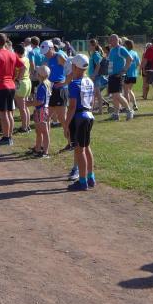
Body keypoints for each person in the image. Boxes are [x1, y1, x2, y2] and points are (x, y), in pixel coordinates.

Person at [65, 54, 96, 191]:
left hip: (79, 118)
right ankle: (91, 177)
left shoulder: (74, 84)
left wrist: (66, 124)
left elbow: (72, 107)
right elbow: (92, 102)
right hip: (89, 116)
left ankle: (82, 181)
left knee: (79, 150)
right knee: (86, 147)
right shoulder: (90, 81)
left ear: (75, 67)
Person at [0, 33, 20, 147]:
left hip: (1, 86)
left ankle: (6, 137)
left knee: (3, 114)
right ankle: (9, 137)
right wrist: (16, 79)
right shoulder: (12, 53)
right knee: (9, 112)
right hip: (11, 86)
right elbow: (22, 67)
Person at [40, 40, 71, 146]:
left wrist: (64, 83)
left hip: (60, 90)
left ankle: (71, 142)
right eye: (44, 53)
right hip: (51, 89)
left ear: (52, 48)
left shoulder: (59, 56)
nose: (45, 54)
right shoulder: (47, 58)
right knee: (45, 118)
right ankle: (44, 145)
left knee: (62, 118)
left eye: (47, 52)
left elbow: (71, 71)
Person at [106, 34, 134, 121]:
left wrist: (124, 70)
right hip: (111, 76)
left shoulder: (121, 49)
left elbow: (130, 59)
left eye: (111, 40)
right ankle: (116, 114)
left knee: (117, 95)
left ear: (116, 40)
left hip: (118, 76)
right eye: (109, 40)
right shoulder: (112, 50)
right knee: (114, 96)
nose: (110, 42)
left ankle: (129, 111)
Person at [30, 65, 51, 158]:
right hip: (42, 109)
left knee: (44, 132)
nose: (36, 74)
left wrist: (29, 103)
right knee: (39, 131)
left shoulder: (42, 86)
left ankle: (45, 152)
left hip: (41, 110)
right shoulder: (47, 83)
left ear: (40, 75)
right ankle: (38, 149)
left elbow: (40, 101)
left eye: (37, 73)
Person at [13, 46, 32, 133]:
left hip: (22, 83)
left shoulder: (20, 60)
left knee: (22, 107)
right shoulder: (26, 58)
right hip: (27, 82)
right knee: (25, 106)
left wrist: (17, 80)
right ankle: (27, 126)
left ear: (16, 52)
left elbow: (21, 69)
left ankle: (24, 127)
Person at [122, 39, 140, 112]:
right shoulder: (135, 53)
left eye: (124, 44)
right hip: (134, 74)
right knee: (129, 90)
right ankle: (135, 104)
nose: (123, 46)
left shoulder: (125, 53)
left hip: (127, 74)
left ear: (127, 45)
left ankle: (127, 108)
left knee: (126, 91)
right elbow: (138, 63)